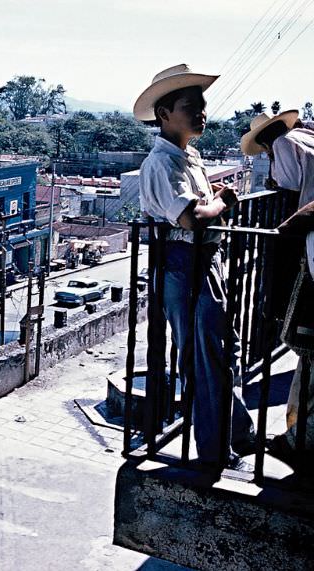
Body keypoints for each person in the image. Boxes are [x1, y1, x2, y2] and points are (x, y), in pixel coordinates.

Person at [134, 64, 255, 469]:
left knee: (221, 351)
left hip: (203, 263)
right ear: (165, 113)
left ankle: (236, 431)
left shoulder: (189, 157)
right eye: (191, 106)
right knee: (204, 358)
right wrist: (222, 203)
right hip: (184, 267)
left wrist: (212, 202)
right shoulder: (162, 163)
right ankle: (215, 449)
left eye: (202, 106)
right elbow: (192, 218)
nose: (201, 113)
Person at [241, 109, 314, 470]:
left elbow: (286, 188)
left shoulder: (285, 144)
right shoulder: (307, 138)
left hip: (308, 244)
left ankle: (298, 437)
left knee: (299, 328)